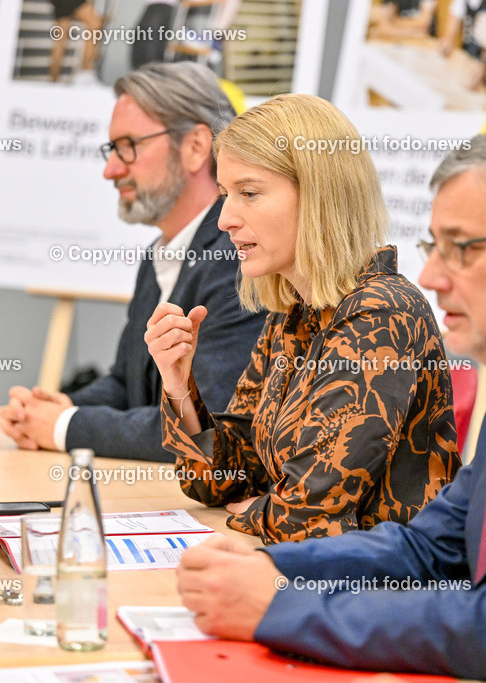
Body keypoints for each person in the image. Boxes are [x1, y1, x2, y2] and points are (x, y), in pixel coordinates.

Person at [171, 128, 486, 679]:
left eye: (463, 249)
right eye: (435, 248)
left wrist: (279, 604)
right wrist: (271, 564)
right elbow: (429, 548)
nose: (430, 276)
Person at [145, 94, 461, 544]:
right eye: (225, 195)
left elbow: (306, 518)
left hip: (384, 596)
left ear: (318, 195)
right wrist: (179, 388)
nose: (226, 219)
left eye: (249, 193)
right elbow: (222, 481)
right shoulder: (292, 314)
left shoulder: (381, 315)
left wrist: (265, 508)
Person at [0, 62, 266, 461]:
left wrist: (63, 425)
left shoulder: (238, 259)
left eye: (129, 146)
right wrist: (53, 406)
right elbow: (127, 384)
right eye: (112, 149)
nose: (111, 169)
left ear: (195, 147)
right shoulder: (160, 255)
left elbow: (205, 424)